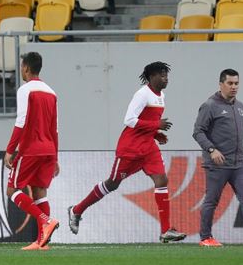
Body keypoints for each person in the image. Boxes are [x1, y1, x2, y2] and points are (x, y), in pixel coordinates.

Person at [68, 61, 187, 243]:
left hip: (148, 148)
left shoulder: (161, 95)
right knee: (112, 183)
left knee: (162, 179)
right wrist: (156, 125)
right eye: (162, 75)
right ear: (151, 77)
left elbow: (146, 120)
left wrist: (156, 134)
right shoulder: (142, 94)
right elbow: (129, 120)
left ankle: (165, 231)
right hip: (130, 148)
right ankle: (77, 210)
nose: (166, 79)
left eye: (167, 75)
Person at [193, 69, 243, 247]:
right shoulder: (210, 105)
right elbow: (198, 132)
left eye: (236, 83)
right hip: (217, 164)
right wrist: (211, 150)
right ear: (221, 84)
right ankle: (205, 238)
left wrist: (240, 156)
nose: (234, 87)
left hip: (238, 164)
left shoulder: (240, 106)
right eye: (230, 83)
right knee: (212, 201)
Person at [5, 52, 61, 251]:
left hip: (30, 149)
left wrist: (10, 150)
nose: (21, 70)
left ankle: (44, 221)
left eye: (21, 67)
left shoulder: (25, 90)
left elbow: (21, 121)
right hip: (48, 150)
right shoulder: (51, 92)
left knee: (11, 190)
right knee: (39, 192)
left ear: (26, 68)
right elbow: (55, 128)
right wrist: (55, 158)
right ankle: (41, 242)